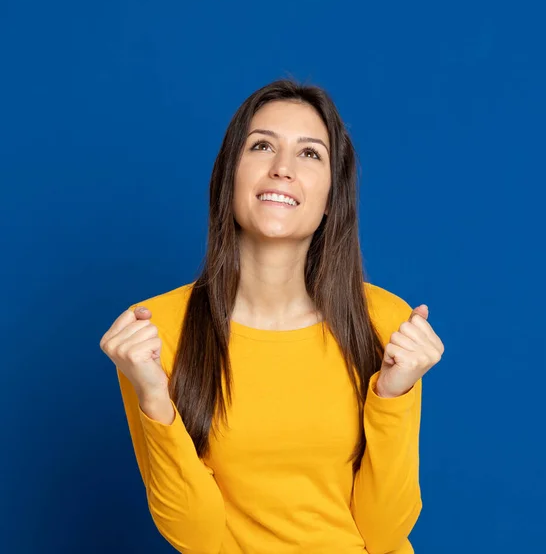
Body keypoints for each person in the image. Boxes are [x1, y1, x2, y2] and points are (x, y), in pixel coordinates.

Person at [100, 79, 444, 554]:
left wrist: (393, 393)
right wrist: (154, 397)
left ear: (331, 198)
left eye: (309, 154)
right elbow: (194, 536)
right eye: (262, 146)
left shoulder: (385, 321)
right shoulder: (156, 333)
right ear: (230, 176)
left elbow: (385, 530)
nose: (283, 169)